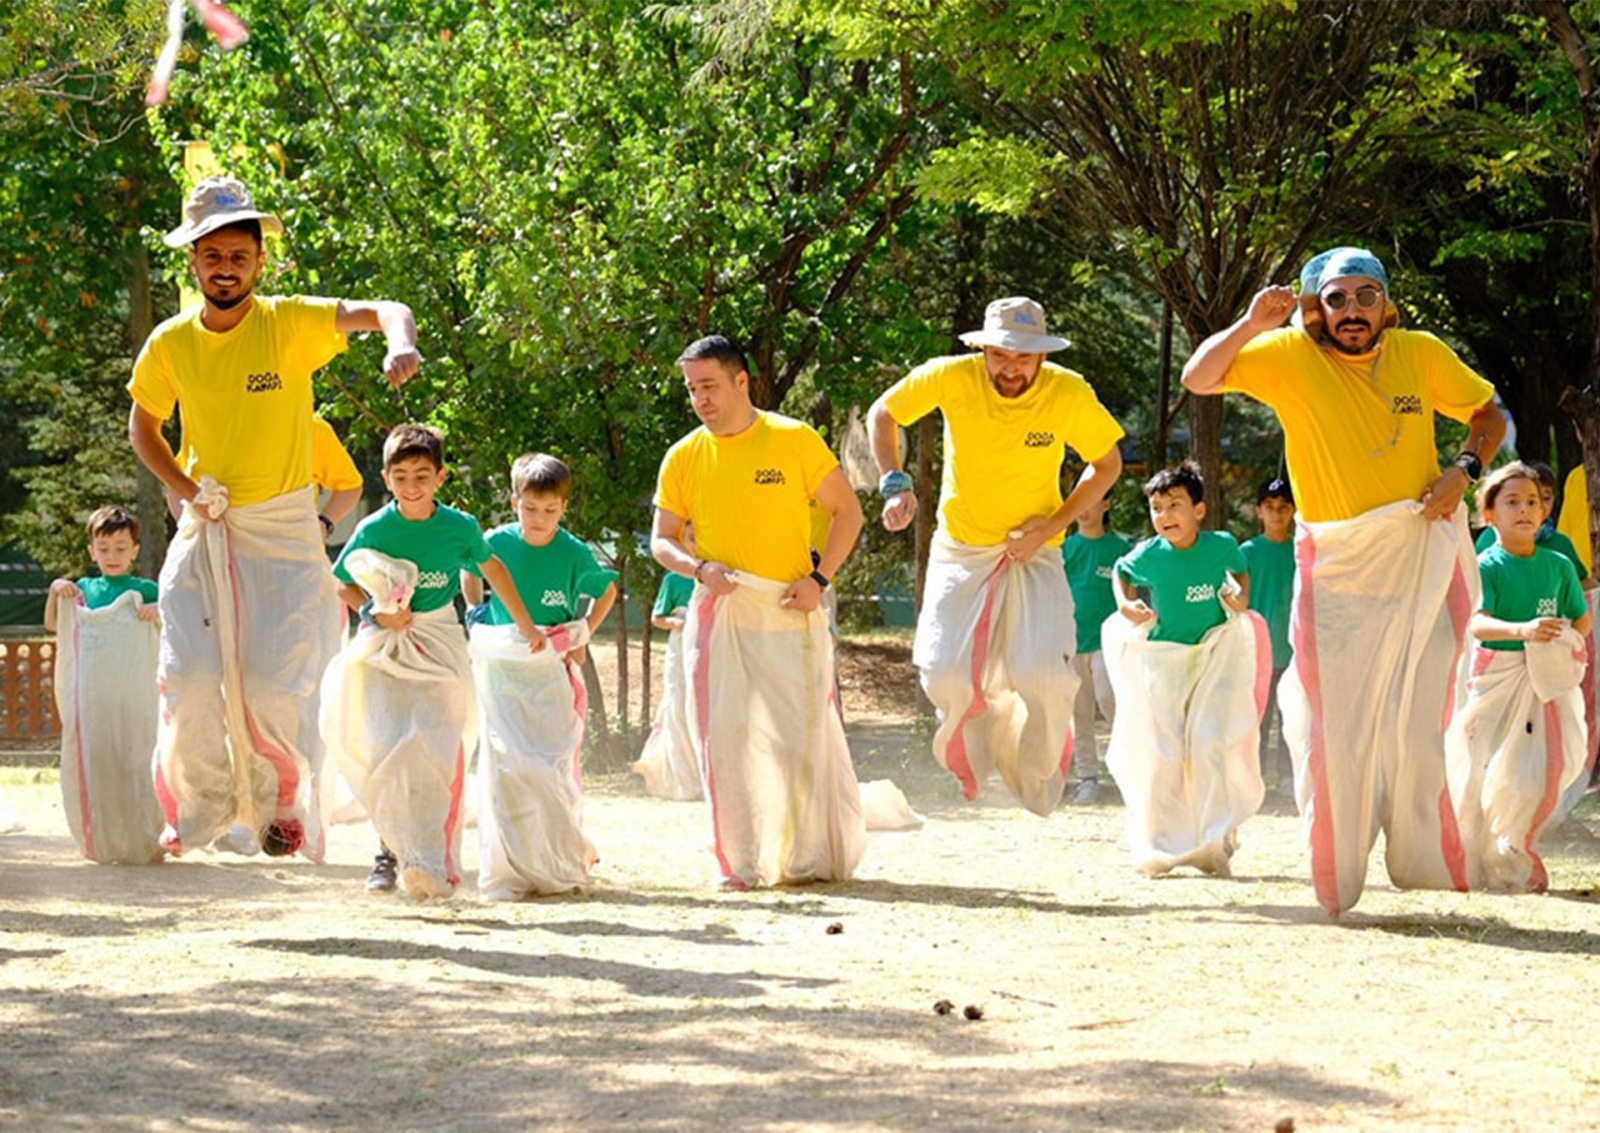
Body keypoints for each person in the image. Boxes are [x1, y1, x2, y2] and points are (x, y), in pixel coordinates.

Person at [1182, 245, 1506, 916]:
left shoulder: (1419, 351)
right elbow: (1199, 377)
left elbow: (1489, 411)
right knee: (1334, 723)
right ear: (1316, 306)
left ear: (1387, 304)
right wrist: (1250, 323)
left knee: (1420, 713)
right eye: (1336, 298)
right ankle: (1338, 870)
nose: (1352, 310)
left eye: (1365, 296)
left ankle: (1422, 856)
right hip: (1335, 562)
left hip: (1418, 548)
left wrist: (1464, 471)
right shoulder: (1289, 356)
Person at [127, 176, 420, 861]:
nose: (225, 267)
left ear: (260, 262)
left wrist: (399, 344)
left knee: (272, 681)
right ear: (193, 263)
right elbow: (144, 428)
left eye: (239, 255)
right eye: (211, 256)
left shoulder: (288, 323)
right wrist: (187, 488)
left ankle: (280, 800)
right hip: (210, 526)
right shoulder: (170, 343)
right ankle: (198, 805)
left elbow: (386, 307)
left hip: (287, 531)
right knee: (191, 676)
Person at [867, 297, 1124, 815]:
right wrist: (895, 484)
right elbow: (884, 414)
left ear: (1043, 357)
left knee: (1047, 675)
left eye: (1024, 357)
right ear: (983, 348)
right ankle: (979, 738)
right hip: (961, 548)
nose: (1011, 367)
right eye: (1001, 354)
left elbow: (1107, 463)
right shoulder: (950, 376)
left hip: (1037, 552)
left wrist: (1051, 526)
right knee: (942, 674)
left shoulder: (1068, 392)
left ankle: (1036, 766)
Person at [650, 334, 866, 890]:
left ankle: (802, 858)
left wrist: (820, 579)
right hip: (719, 611)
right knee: (723, 740)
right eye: (693, 389)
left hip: (790, 610)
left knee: (798, 737)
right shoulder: (684, 456)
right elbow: (662, 540)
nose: (701, 399)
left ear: (741, 381)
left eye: (710, 386)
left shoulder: (793, 439)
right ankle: (737, 863)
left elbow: (849, 513)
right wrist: (699, 572)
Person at [321, 424, 541, 899]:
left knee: (438, 746)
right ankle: (387, 852)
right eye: (401, 476)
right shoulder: (374, 528)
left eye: (422, 475)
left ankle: (431, 858)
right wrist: (373, 611)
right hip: (384, 645)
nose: (412, 486)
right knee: (389, 746)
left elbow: (492, 569)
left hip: (438, 637)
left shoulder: (459, 527)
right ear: (386, 477)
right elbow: (341, 580)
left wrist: (525, 624)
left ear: (440, 477)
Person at [462, 452, 618, 900]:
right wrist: (475, 613)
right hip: (503, 667)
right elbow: (469, 569)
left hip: (551, 670)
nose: (539, 518)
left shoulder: (571, 551)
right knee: (507, 765)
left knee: (550, 764)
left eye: (550, 511)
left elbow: (605, 589)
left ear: (563, 509)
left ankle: (558, 858)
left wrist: (583, 632)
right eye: (531, 509)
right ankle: (510, 867)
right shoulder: (496, 543)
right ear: (516, 503)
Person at [1103, 461, 1267, 877]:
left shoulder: (1221, 545)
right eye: (1156, 508)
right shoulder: (1149, 554)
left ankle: (1215, 841)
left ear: (1198, 510)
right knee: (1166, 751)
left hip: (1214, 655)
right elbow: (1122, 571)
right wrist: (1125, 604)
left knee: (1210, 742)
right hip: (1165, 662)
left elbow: (1241, 570)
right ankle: (1160, 843)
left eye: (1174, 505)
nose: (1164, 516)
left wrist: (1241, 596)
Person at [1449, 463, 1591, 891]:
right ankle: (1468, 856)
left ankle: (1515, 851)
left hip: (1544, 685)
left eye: (1532, 501)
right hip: (1494, 679)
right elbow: (1477, 623)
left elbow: (1581, 620)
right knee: (1478, 770)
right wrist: (1522, 632)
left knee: (1537, 775)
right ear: (1488, 514)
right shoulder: (1486, 565)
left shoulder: (1559, 564)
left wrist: (1557, 642)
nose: (1525, 509)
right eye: (1511, 502)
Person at [45, 506, 164, 864]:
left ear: (135, 550)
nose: (112, 556)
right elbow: (55, 624)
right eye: (105, 548)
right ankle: (101, 839)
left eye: (121, 548)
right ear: (91, 551)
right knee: (99, 763)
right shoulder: (82, 590)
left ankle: (145, 837)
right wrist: (55, 591)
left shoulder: (145, 589)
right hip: (94, 696)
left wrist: (158, 609)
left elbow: (175, 623)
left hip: (134, 695)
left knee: (138, 760)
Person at [1059, 493, 1130, 805]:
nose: (1083, 510)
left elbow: (1130, 593)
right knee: (1079, 712)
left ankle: (1130, 772)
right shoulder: (1066, 549)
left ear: (1106, 504)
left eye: (1090, 501)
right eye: (1078, 502)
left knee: (1109, 698)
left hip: (1107, 642)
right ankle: (1087, 778)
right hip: (1071, 642)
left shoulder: (1119, 550)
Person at [633, 523, 703, 801]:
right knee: (680, 702)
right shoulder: (674, 579)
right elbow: (657, 617)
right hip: (681, 646)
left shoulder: (717, 574)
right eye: (690, 538)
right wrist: (679, 622)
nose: (695, 543)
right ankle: (682, 777)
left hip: (708, 646)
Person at [1240, 477, 1297, 796]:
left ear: (1292, 511)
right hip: (1257, 655)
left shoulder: (1301, 551)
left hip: (1292, 653)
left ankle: (1288, 777)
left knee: (1291, 719)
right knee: (1255, 721)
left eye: (1283, 507)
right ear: (1258, 512)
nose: (1276, 513)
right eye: (1270, 507)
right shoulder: (1246, 553)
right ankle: (1254, 778)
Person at [1475, 462, 1588, 580]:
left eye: (1546, 498)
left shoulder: (1561, 545)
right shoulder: (1488, 541)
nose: (1540, 505)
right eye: (1513, 502)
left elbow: (1583, 585)